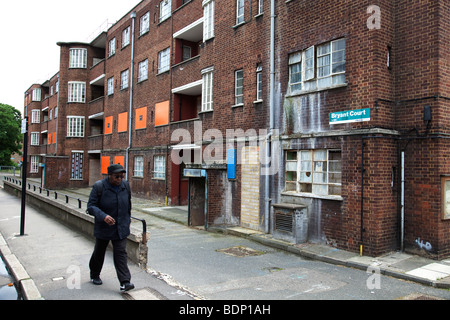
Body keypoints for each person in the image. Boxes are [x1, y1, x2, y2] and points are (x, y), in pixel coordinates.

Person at [87, 164, 135, 292]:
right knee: (99, 252)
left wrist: (127, 220)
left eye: (121, 176)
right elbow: (91, 207)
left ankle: (125, 282)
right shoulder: (99, 187)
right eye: (116, 176)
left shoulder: (125, 186)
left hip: (121, 227)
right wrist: (103, 216)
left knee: (120, 253)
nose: (119, 179)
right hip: (104, 227)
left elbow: (128, 204)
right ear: (109, 176)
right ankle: (94, 274)